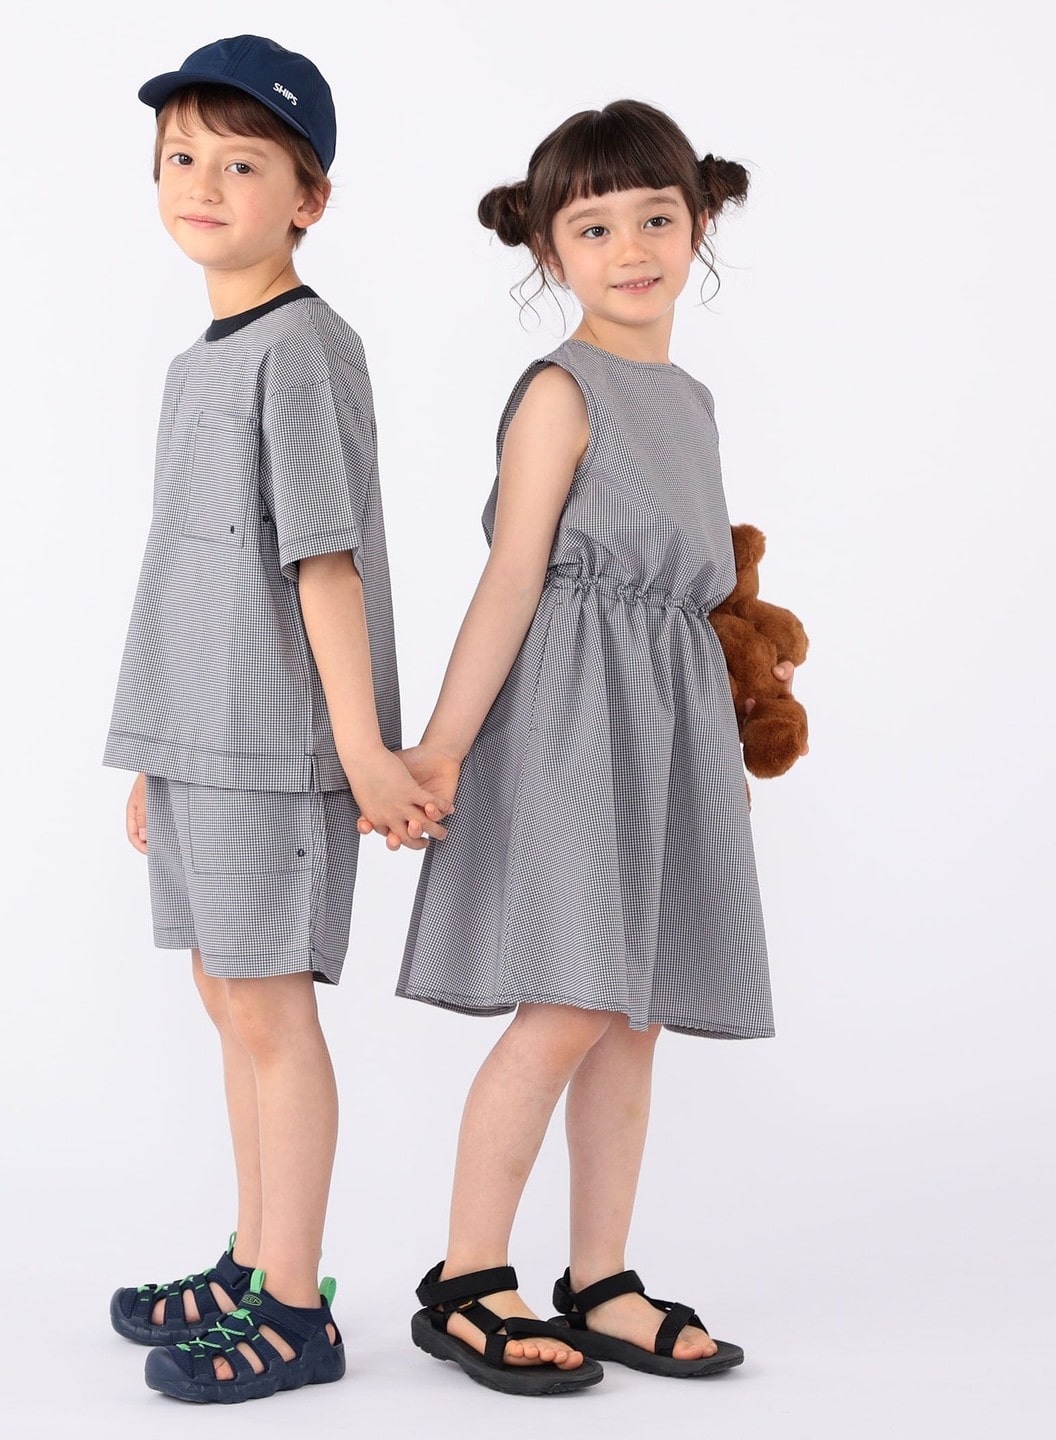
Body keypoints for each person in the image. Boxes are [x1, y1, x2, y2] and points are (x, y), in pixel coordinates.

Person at [388, 100, 801, 1396]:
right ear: (548, 249)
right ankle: (467, 1276)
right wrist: (442, 747)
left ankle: (602, 1276)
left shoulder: (690, 400)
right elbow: (514, 577)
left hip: (664, 718)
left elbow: (689, 582)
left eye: (656, 218)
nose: (631, 249)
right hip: (572, 716)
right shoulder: (561, 392)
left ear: (700, 223)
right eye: (594, 226)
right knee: (568, 1000)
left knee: (634, 1014)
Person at [101, 35, 446, 1406]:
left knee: (270, 1014)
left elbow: (326, 559)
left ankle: (295, 1312)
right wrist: (155, 749)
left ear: (310, 198)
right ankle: (254, 1262)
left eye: (242, 164)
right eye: (181, 157)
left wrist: (363, 751)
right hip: (200, 740)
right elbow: (189, 566)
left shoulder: (303, 349)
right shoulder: (198, 361)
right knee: (224, 998)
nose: (203, 183)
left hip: (276, 749)